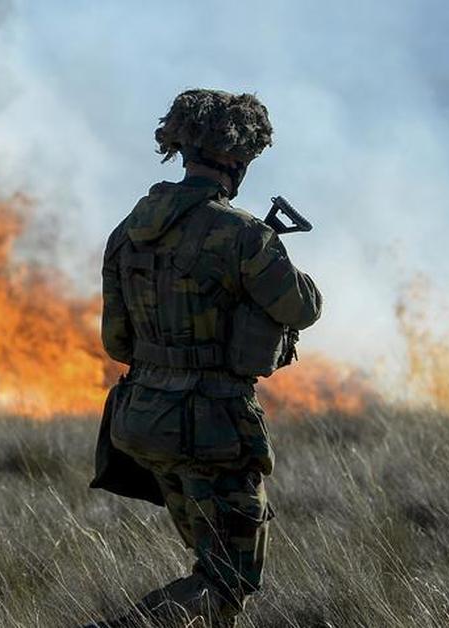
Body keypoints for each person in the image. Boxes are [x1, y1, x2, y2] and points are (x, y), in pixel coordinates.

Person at [87, 89, 323, 627]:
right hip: (212, 425)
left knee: (211, 568)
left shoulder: (129, 231)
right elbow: (302, 307)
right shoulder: (242, 234)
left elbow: (117, 343)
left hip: (143, 417)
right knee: (228, 579)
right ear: (238, 159)